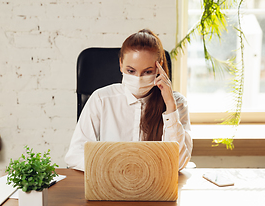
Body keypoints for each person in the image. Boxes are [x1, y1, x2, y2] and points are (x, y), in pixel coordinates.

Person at [65, 29, 193, 171]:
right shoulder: (101, 99)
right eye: (131, 71)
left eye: (147, 72)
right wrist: (110, 168)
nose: (138, 78)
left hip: (156, 187)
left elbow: (179, 163)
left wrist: (170, 106)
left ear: (159, 68)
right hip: (110, 183)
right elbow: (74, 155)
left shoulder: (177, 103)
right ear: (121, 65)